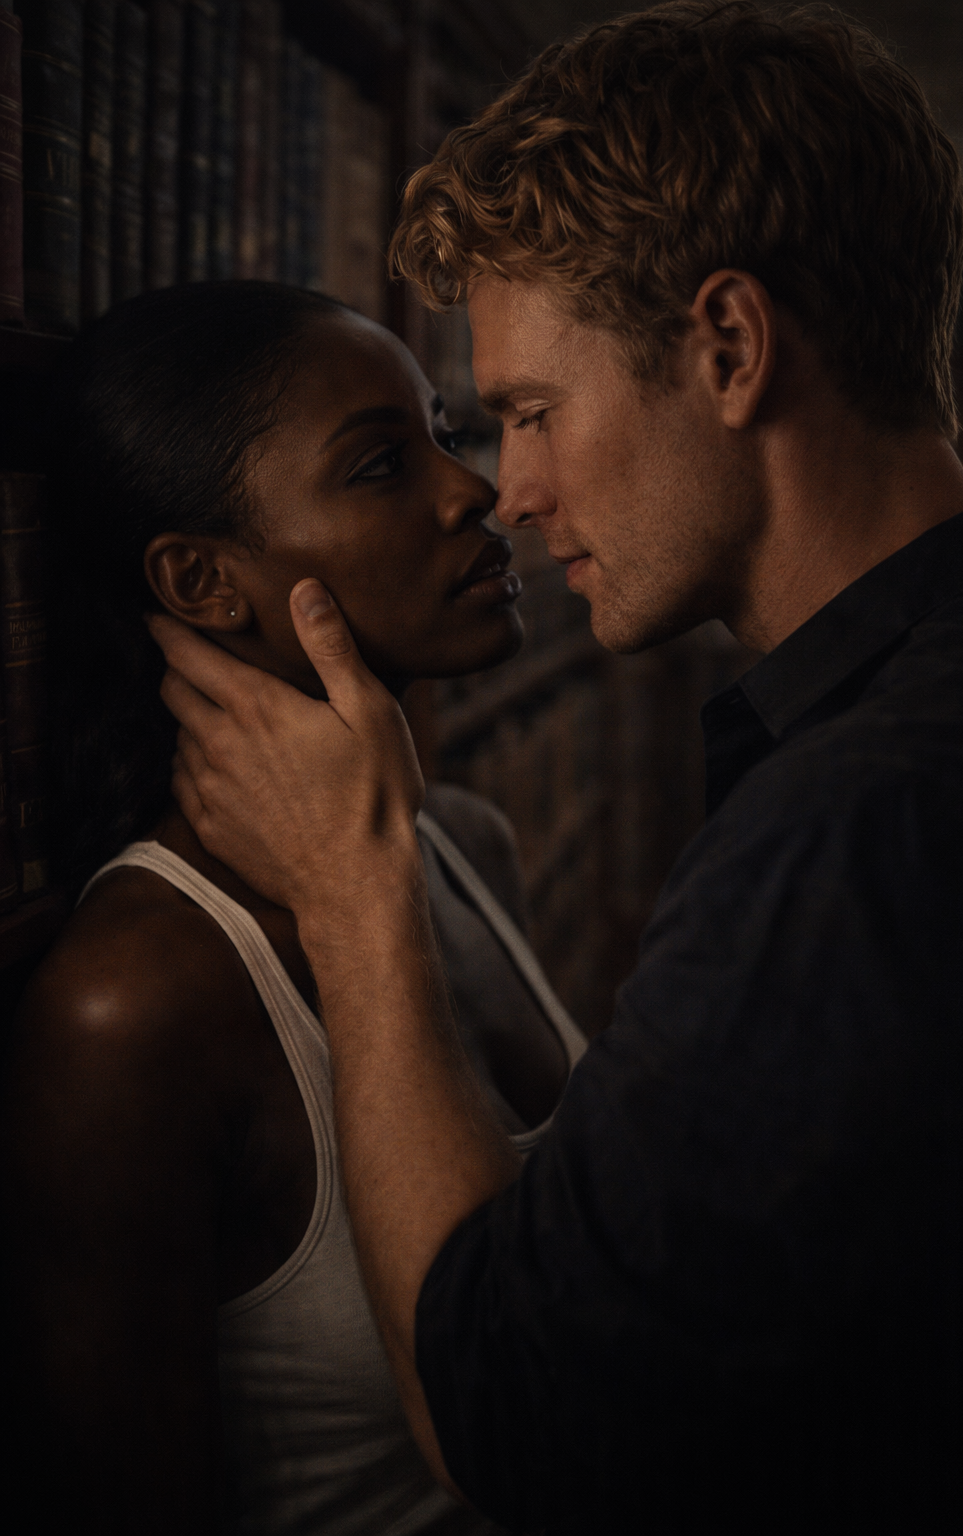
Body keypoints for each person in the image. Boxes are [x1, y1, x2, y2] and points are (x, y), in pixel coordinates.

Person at [149, 3, 963, 1532]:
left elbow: (529, 1426)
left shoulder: (853, 828)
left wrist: (361, 906)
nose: (513, 496)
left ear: (731, 347)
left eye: (531, 414)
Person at [1, 281, 587, 1536]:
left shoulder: (461, 842)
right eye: (382, 465)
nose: (472, 489)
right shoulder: (133, 1008)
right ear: (204, 583)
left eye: (441, 430)